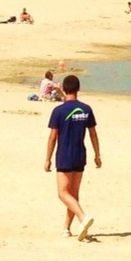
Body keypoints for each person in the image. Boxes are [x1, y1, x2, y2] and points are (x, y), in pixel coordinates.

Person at [44, 75, 101, 241]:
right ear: (78, 89)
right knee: (73, 194)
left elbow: (53, 137)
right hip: (80, 154)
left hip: (65, 155)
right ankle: (66, 228)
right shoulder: (86, 109)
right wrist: (97, 154)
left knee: (62, 193)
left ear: (63, 88)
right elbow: (93, 134)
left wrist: (47, 158)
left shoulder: (59, 111)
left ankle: (82, 218)